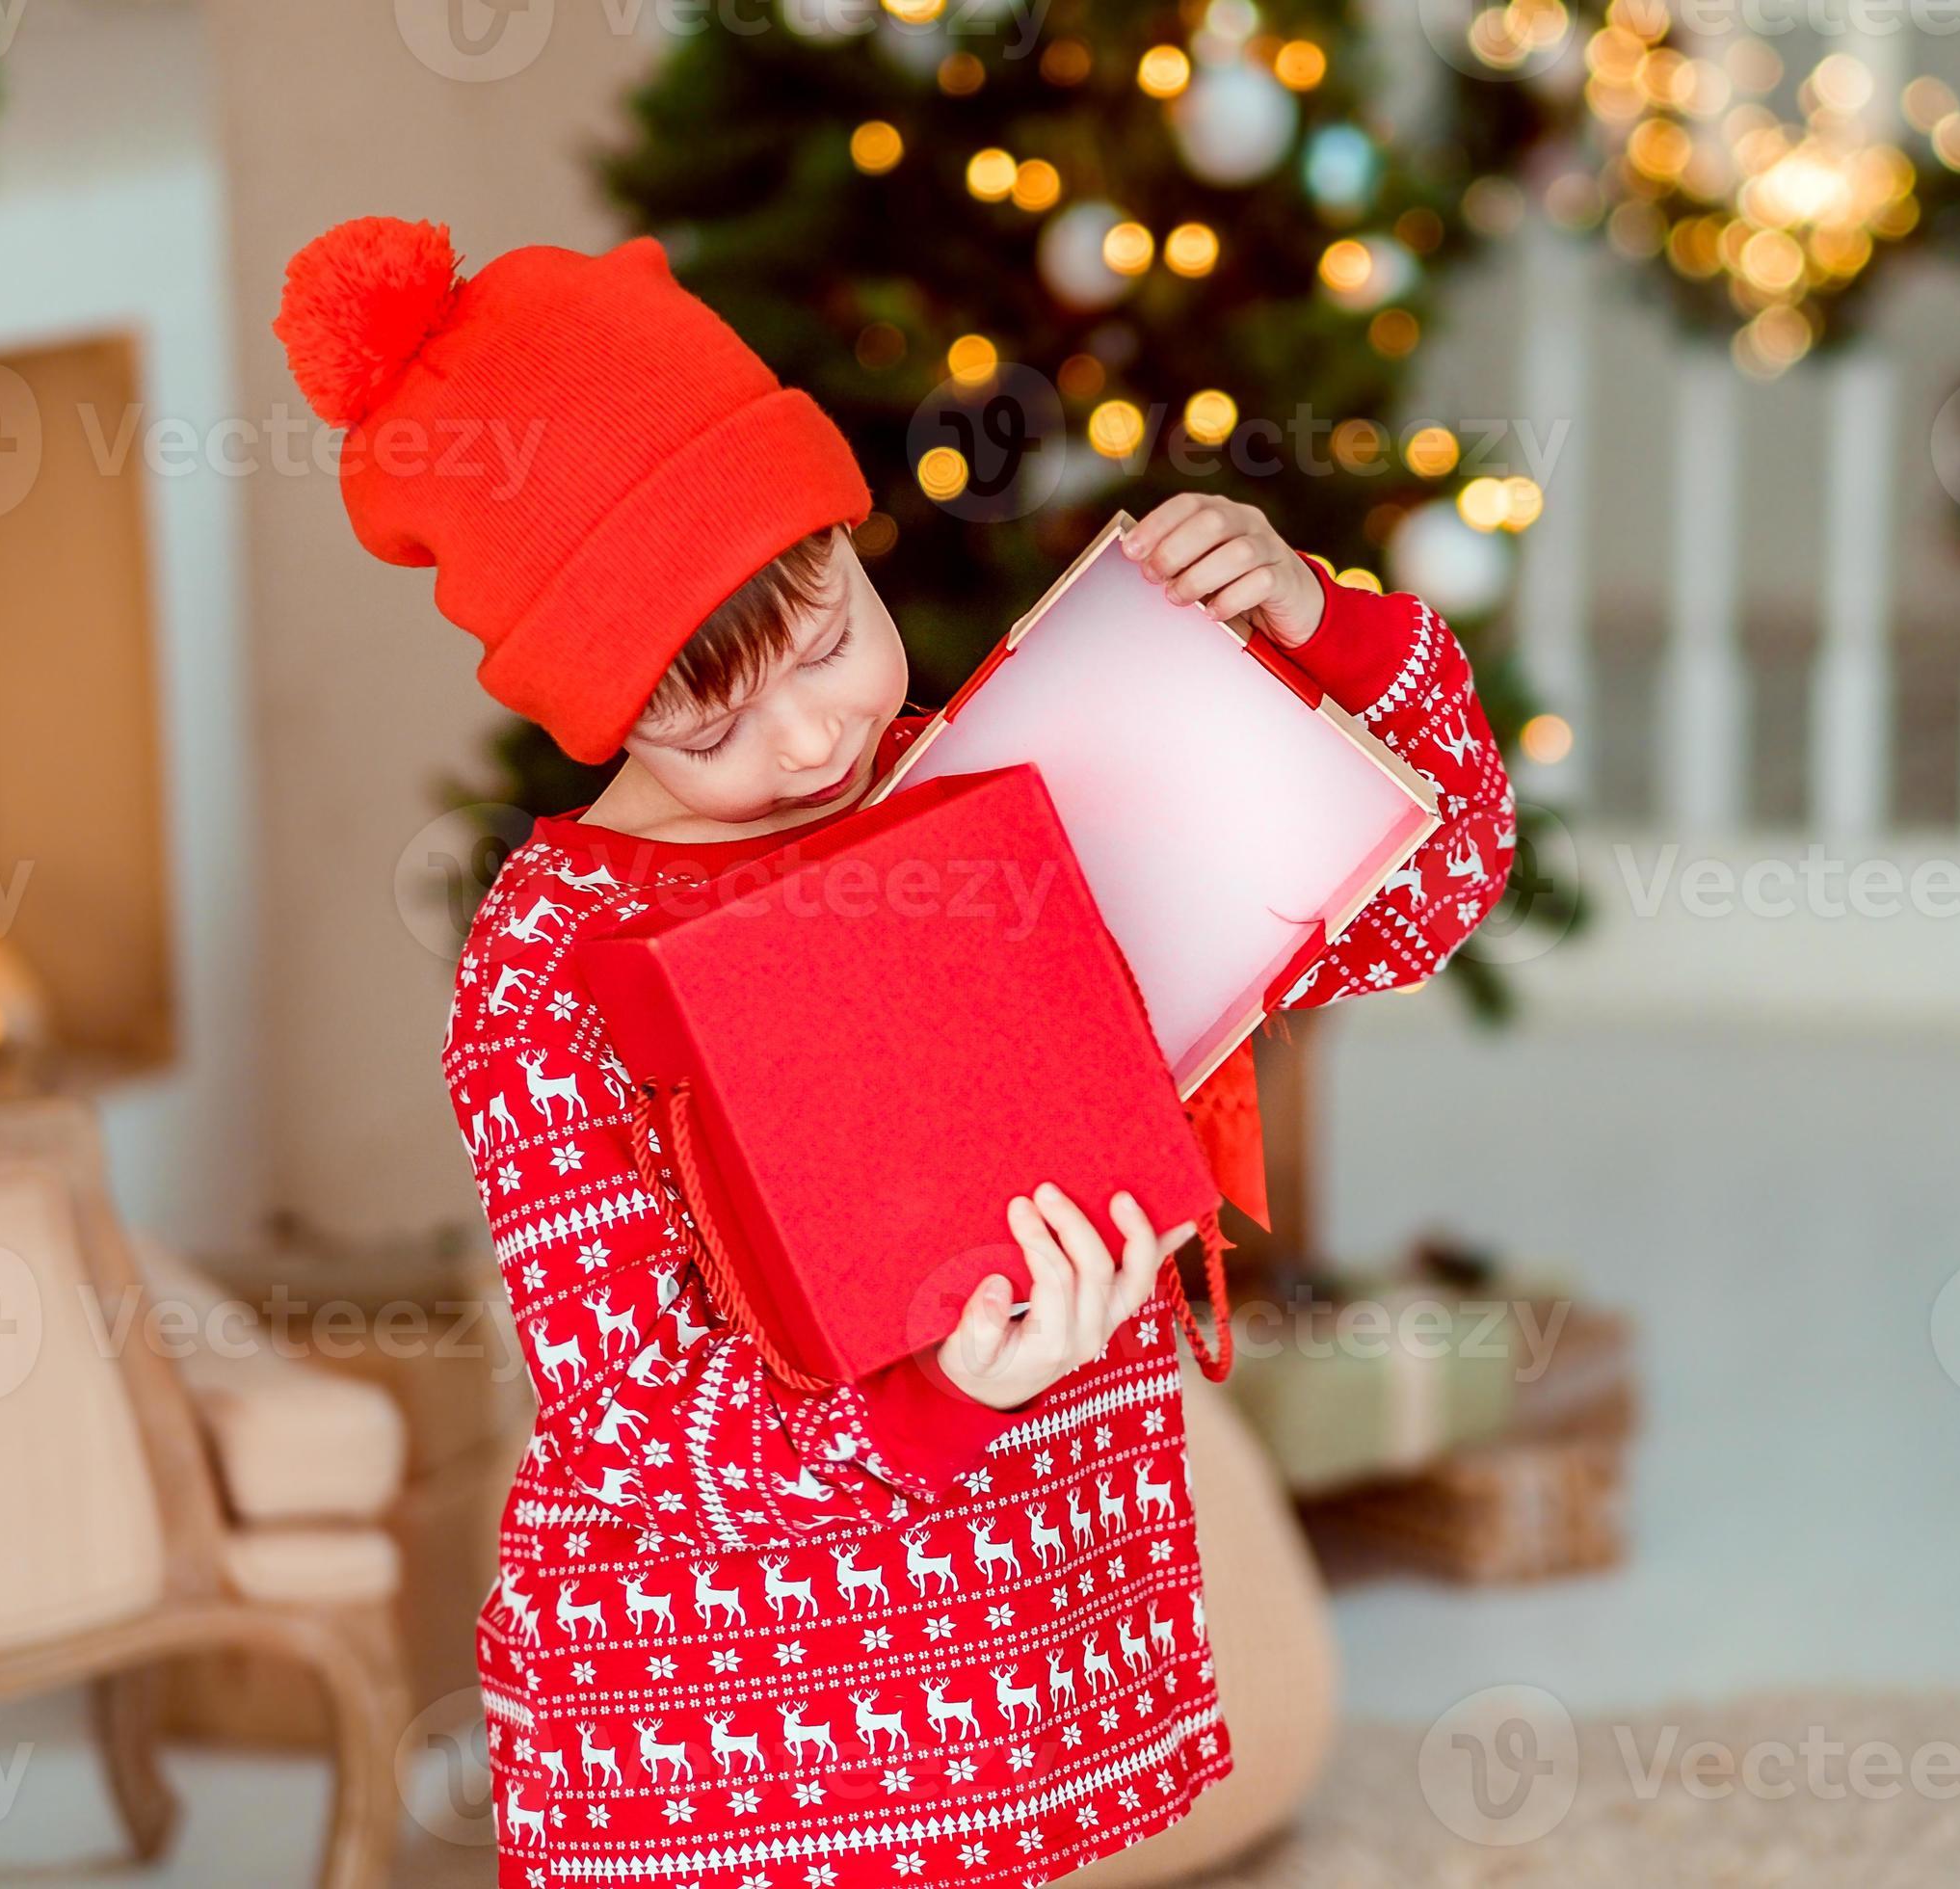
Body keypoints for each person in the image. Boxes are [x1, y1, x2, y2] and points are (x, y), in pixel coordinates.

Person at [271, 215, 1514, 1888]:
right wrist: (932, 1401)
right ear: (594, 713)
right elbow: (632, 1406)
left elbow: (1419, 897)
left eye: (834, 632)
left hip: (1025, 1651)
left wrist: (1330, 632)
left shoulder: (1015, 774)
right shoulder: (549, 963)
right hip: (716, 1720)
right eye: (706, 722)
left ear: (858, 546)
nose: (810, 735)